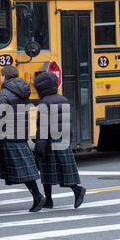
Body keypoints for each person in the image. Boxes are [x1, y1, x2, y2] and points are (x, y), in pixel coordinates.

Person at [0, 66, 46, 212]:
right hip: (18, 134)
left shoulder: (3, 95)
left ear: (4, 76)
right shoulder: (22, 92)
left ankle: (37, 196)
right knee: (4, 169)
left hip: (4, 136)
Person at [34, 72, 86, 209]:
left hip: (50, 139)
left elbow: (43, 128)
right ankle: (76, 190)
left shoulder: (44, 103)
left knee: (47, 170)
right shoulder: (63, 99)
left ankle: (50, 200)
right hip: (63, 137)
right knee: (65, 169)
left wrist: (39, 148)